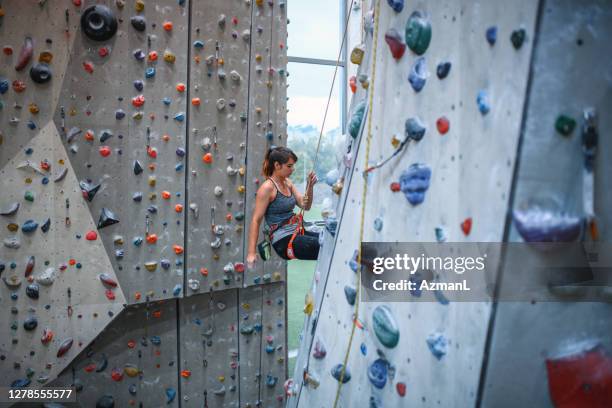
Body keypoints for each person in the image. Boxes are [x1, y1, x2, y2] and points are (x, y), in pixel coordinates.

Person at [247, 146, 319, 266]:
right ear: (277, 165)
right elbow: (256, 220)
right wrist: (251, 252)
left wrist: (310, 186)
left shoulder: (287, 183)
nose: (293, 169)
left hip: (297, 232)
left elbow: (305, 205)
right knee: (323, 245)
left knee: (330, 241)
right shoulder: (267, 188)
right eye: (289, 166)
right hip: (283, 240)